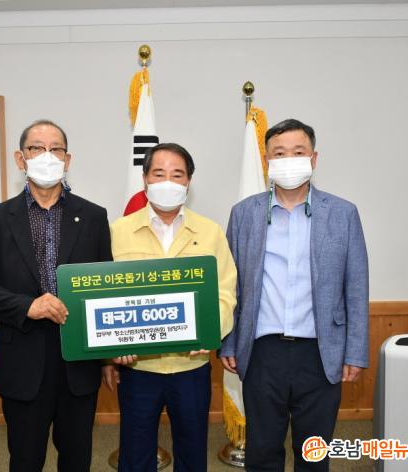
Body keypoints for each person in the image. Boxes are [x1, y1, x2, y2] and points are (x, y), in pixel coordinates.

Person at [220, 118, 369, 471]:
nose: (289, 160)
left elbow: (356, 286)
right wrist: (228, 342)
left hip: (320, 351)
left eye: (298, 152)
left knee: (314, 454)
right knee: (262, 452)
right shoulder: (244, 214)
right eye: (279, 153)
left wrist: (355, 351)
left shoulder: (343, 214)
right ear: (267, 161)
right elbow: (230, 284)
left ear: (313, 159)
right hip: (262, 351)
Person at [0, 119, 112, 472]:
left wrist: (108, 356)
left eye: (55, 149)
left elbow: (104, 288)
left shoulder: (93, 217)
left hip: (79, 361)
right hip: (23, 358)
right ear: (21, 158)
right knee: (26, 458)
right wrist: (27, 305)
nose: (47, 156)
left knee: (77, 458)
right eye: (36, 148)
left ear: (67, 159)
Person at [104, 142, 237, 471]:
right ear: (145, 179)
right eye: (159, 173)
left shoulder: (210, 232)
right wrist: (111, 350)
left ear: (188, 181)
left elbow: (225, 293)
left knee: (192, 454)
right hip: (138, 369)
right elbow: (104, 298)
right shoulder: (118, 231)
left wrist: (209, 331)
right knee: (135, 455)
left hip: (191, 367)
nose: (167, 182)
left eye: (177, 175)